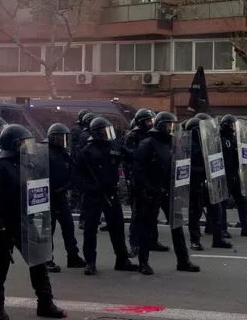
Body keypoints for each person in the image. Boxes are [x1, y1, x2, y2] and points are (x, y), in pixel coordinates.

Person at [0, 124, 67, 320]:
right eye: (24, 143)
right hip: (5, 224)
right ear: (13, 144)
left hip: (24, 219)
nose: (28, 147)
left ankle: (45, 303)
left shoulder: (24, 163)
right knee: (0, 265)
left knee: (38, 261)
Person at [133, 112, 200, 274]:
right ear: (161, 125)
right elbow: (138, 171)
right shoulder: (147, 144)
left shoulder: (173, 142)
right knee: (147, 227)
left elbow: (180, 164)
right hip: (153, 191)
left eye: (173, 124)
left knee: (177, 226)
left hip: (170, 191)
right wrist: (147, 190)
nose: (171, 127)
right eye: (169, 124)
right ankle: (143, 262)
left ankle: (183, 261)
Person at [72, 116, 138, 275]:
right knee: (90, 230)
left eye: (109, 130)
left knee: (117, 228)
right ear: (96, 133)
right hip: (93, 195)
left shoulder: (114, 145)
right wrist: (89, 188)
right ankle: (90, 262)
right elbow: (76, 175)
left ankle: (122, 259)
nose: (107, 134)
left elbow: (131, 157)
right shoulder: (86, 150)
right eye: (104, 131)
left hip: (111, 193)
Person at [124, 109, 168, 258]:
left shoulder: (153, 136)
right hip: (138, 180)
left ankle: (152, 241)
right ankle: (134, 244)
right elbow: (132, 158)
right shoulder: (133, 136)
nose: (150, 123)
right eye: (148, 121)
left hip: (153, 179)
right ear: (140, 122)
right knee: (138, 214)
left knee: (153, 214)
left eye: (152, 120)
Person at [44, 123, 85, 273]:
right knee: (48, 229)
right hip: (48, 196)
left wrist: (69, 184)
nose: (63, 140)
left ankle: (73, 256)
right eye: (61, 137)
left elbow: (73, 170)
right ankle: (47, 259)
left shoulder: (64, 153)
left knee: (68, 226)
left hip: (60, 195)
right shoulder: (44, 152)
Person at [186, 117, 231, 250]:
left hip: (210, 183)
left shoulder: (209, 143)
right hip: (195, 184)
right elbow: (185, 167)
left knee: (217, 211)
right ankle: (195, 240)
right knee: (195, 213)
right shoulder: (186, 145)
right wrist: (204, 171)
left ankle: (218, 239)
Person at [219, 115, 247, 237]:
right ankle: (222, 229)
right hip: (225, 176)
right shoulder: (220, 139)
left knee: (242, 202)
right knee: (223, 204)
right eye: (231, 124)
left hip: (235, 175)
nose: (233, 127)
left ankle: (246, 228)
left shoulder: (235, 140)